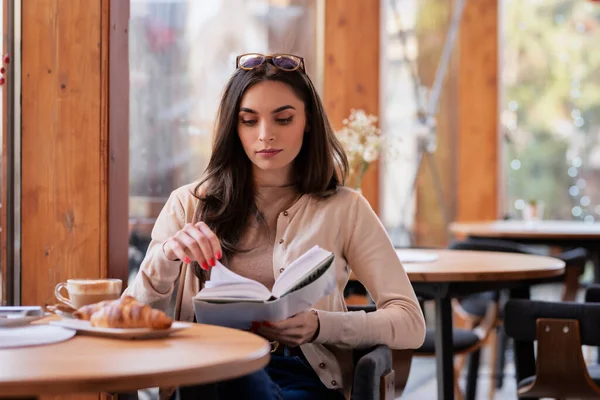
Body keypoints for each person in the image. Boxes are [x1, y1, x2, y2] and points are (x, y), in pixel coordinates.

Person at [125, 53, 426, 400]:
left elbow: (410, 323)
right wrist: (165, 258)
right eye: (249, 121)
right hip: (206, 372)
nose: (265, 135)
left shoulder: (346, 208)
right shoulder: (188, 204)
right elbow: (132, 318)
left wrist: (318, 326)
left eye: (283, 119)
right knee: (222, 367)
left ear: (308, 121)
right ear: (233, 127)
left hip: (300, 377)